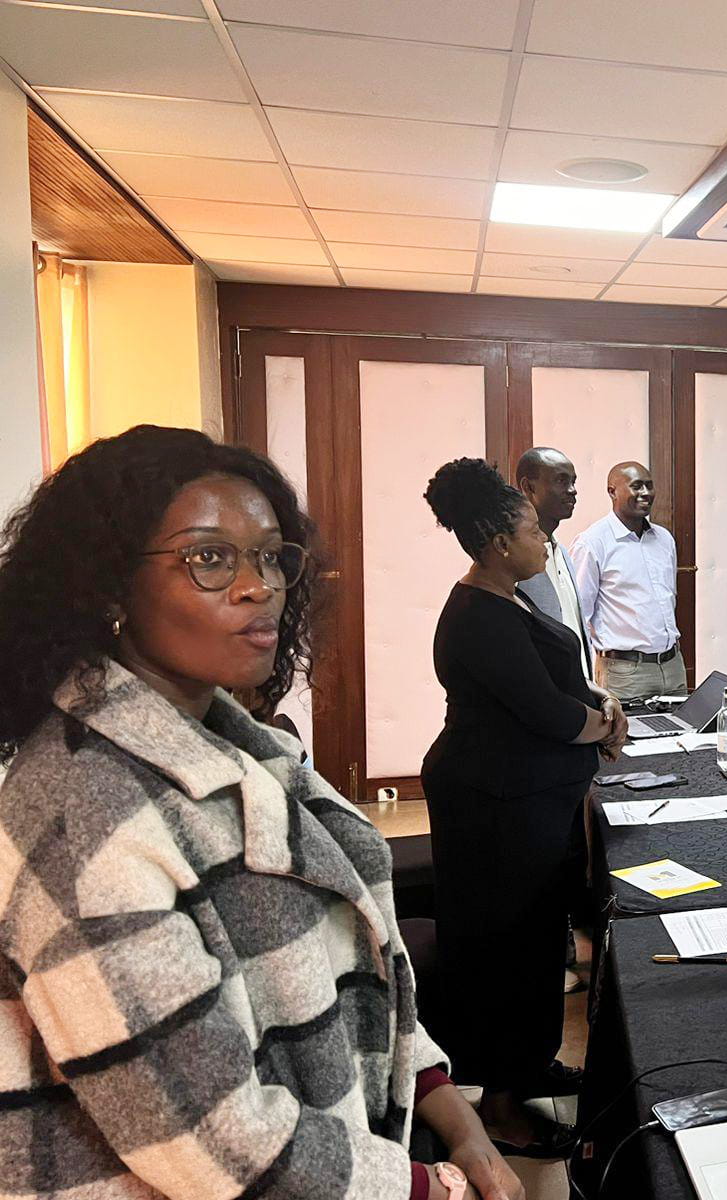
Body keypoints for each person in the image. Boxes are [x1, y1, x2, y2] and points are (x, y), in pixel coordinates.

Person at [0, 426, 523, 1200]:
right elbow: (212, 1143)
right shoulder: (84, 814)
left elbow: (357, 973)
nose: (259, 587)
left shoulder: (244, 745)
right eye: (210, 558)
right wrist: (435, 1187)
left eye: (272, 557)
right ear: (108, 586)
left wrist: (458, 1118)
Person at [420, 458, 626, 1153]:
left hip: (528, 800)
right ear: (501, 543)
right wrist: (605, 728)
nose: (544, 541)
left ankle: (532, 1064)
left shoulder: (509, 596)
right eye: (534, 531)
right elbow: (546, 711)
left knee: (538, 943)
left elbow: (559, 681)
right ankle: (502, 1107)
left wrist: (601, 705)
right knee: (503, 954)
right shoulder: (478, 614)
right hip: (494, 810)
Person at [572, 461, 684, 701]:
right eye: (636, 486)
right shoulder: (592, 543)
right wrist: (584, 678)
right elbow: (579, 616)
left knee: (682, 725)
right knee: (627, 727)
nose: (646, 493)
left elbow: (669, 599)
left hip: (673, 665)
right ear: (612, 491)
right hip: (625, 673)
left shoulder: (664, 539)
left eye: (649, 486)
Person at [515, 446, 592, 679]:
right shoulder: (512, 560)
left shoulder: (563, 552)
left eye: (573, 482)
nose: (572, 490)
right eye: (561, 481)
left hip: (579, 690)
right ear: (528, 487)